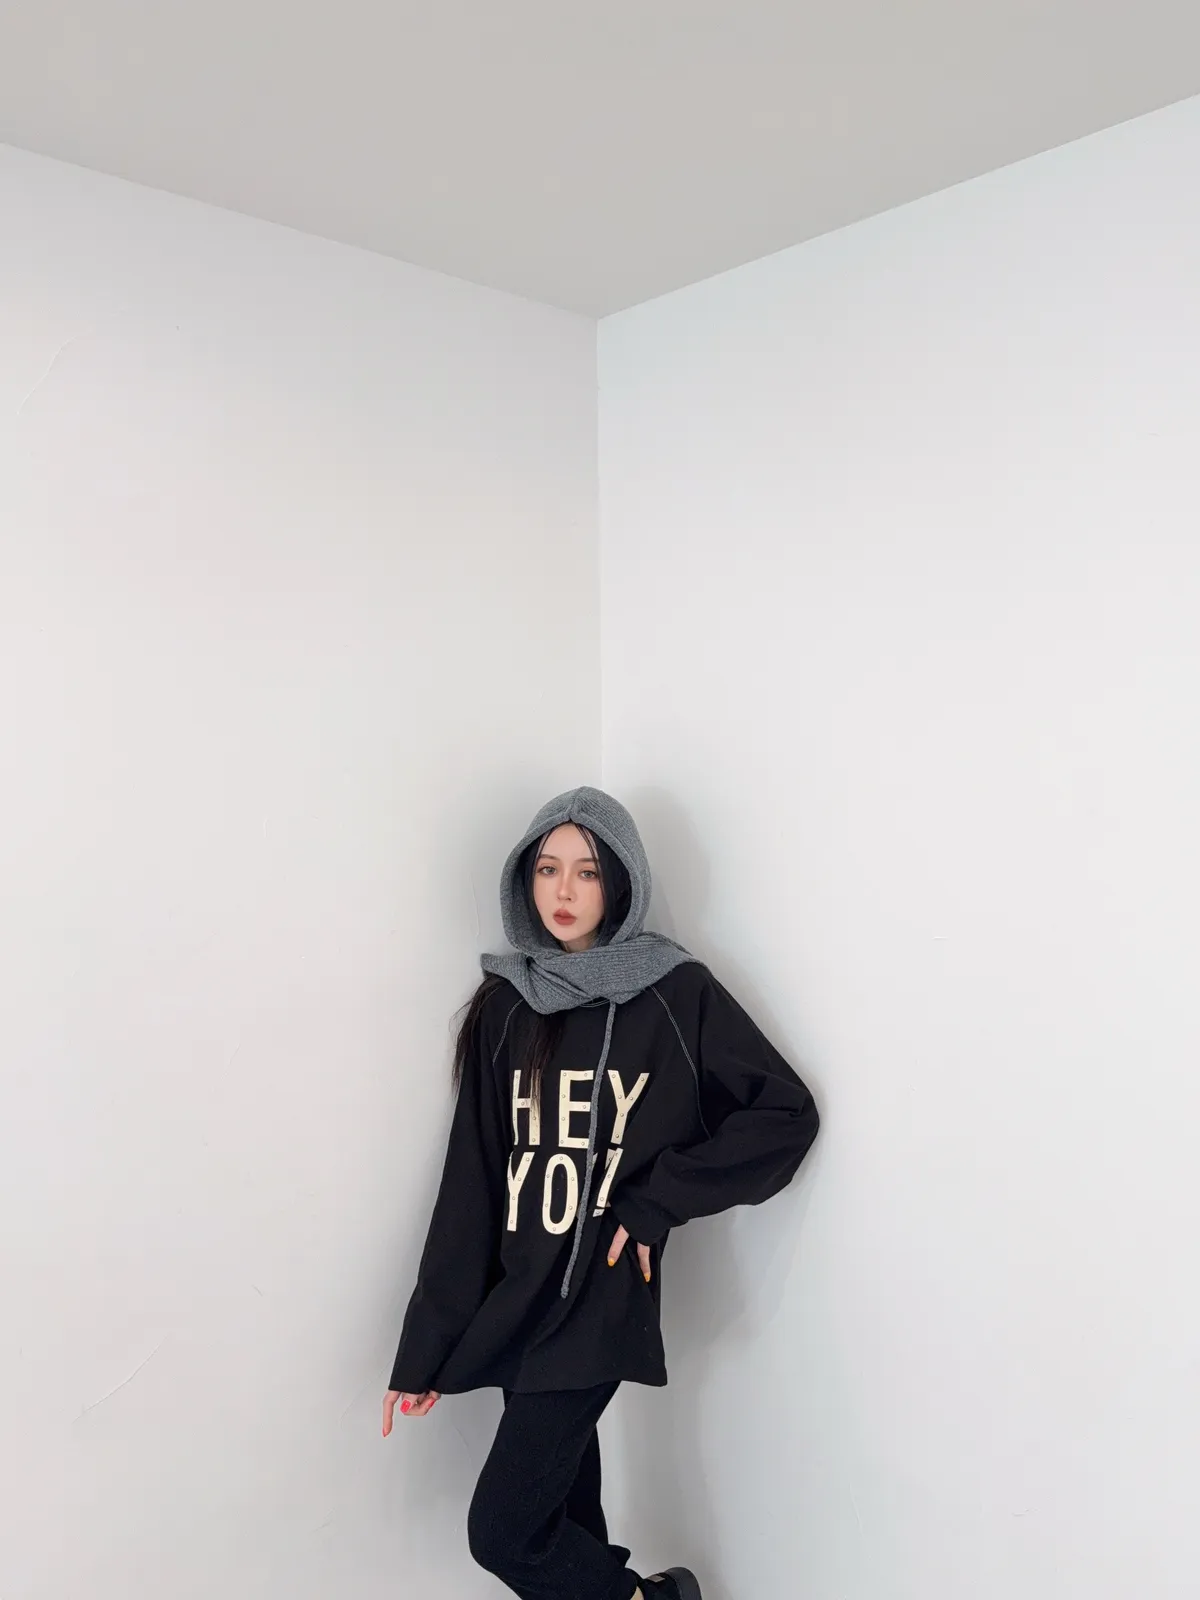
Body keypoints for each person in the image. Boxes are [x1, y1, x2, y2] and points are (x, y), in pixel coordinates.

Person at [381, 786, 820, 1600]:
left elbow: (784, 1114)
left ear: (620, 883)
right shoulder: (503, 1006)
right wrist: (427, 1348)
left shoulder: (674, 994)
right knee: (564, 1525)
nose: (564, 890)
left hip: (599, 1301)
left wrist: (655, 1202)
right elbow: (473, 1180)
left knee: (503, 1534)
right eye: (547, 869)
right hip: (519, 1298)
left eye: (586, 872)